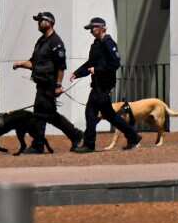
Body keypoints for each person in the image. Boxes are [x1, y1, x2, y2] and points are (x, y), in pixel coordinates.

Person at [12, 11, 83, 154]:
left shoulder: (56, 42)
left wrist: (58, 85)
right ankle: (73, 135)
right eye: (38, 21)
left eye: (41, 21)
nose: (38, 23)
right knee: (45, 114)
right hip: (41, 83)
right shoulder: (41, 41)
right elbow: (33, 63)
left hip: (50, 84)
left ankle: (42, 144)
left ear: (50, 22)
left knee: (43, 114)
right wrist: (20, 64)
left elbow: (61, 67)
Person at [69, 17, 142, 153]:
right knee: (110, 115)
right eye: (90, 29)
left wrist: (97, 70)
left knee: (90, 112)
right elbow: (90, 63)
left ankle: (89, 144)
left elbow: (115, 63)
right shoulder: (96, 44)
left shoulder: (108, 43)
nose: (91, 31)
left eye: (93, 28)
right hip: (97, 85)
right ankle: (133, 136)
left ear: (102, 28)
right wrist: (77, 73)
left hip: (104, 86)